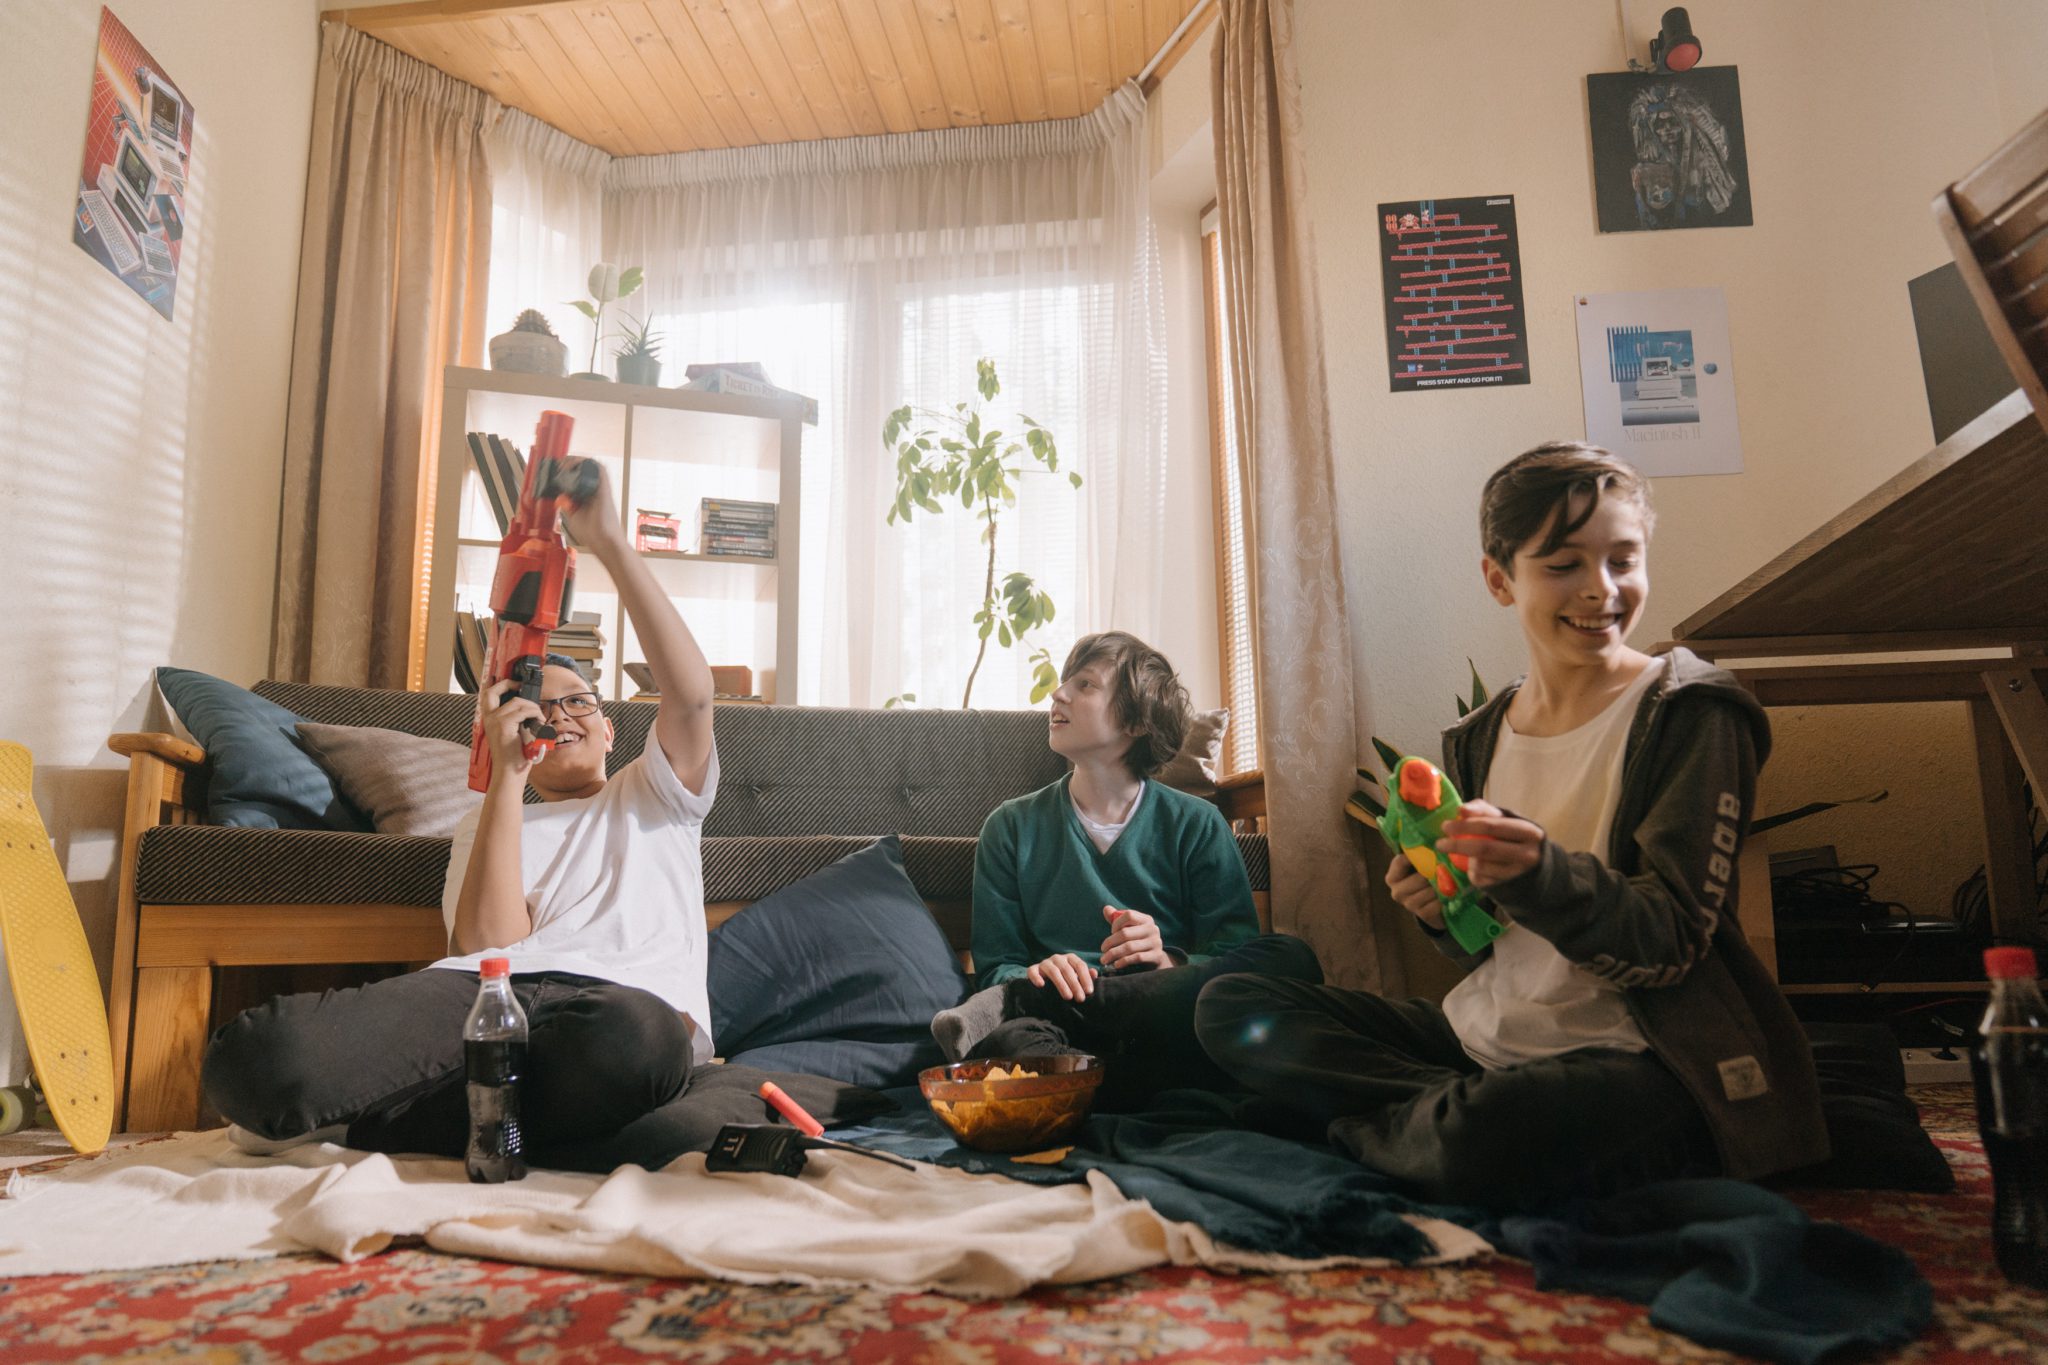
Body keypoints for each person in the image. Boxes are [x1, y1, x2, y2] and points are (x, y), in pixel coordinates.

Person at [1196, 442, 1827, 1208]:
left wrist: (1540, 874)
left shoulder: (1691, 713)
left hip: (1640, 1058)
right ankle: (1427, 1118)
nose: (1602, 590)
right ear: (1500, 579)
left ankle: (1386, 1123)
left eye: (1623, 560)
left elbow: (1672, 940)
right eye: (1564, 564)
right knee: (1233, 1003)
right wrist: (1441, 909)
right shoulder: (1483, 735)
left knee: (1484, 1133)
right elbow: (1489, 950)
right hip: (1483, 1044)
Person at [203, 461, 875, 1171]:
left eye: (579, 700)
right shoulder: (489, 823)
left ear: (614, 729)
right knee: (253, 1059)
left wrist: (611, 541)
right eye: (538, 705)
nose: (559, 715)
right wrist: (504, 780)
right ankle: (483, 1125)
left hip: (617, 1012)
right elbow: (488, 944)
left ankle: (384, 1125)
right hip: (484, 995)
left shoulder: (658, 794)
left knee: (636, 1042)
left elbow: (693, 694)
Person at [931, 631, 1321, 1107]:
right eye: (1062, 683)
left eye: (1085, 685)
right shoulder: (1010, 827)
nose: (1058, 694)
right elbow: (996, 967)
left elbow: (1233, 953)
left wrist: (1168, 960)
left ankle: (1093, 1084)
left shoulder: (1197, 823)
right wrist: (1040, 970)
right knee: (1018, 1041)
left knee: (1292, 958)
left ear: (1137, 720)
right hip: (1063, 1019)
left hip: (1162, 1007)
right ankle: (1146, 1085)